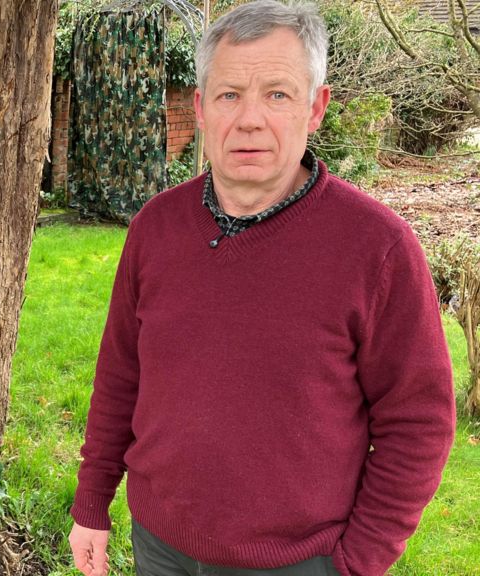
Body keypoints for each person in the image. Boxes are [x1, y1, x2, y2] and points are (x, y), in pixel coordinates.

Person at [67, 2, 457, 575]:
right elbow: (121, 376)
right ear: (201, 108)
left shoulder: (377, 249)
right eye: (229, 95)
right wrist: (92, 502)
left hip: (297, 561)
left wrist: (357, 562)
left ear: (315, 107)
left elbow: (418, 423)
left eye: (277, 94)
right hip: (159, 544)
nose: (249, 119)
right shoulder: (156, 227)